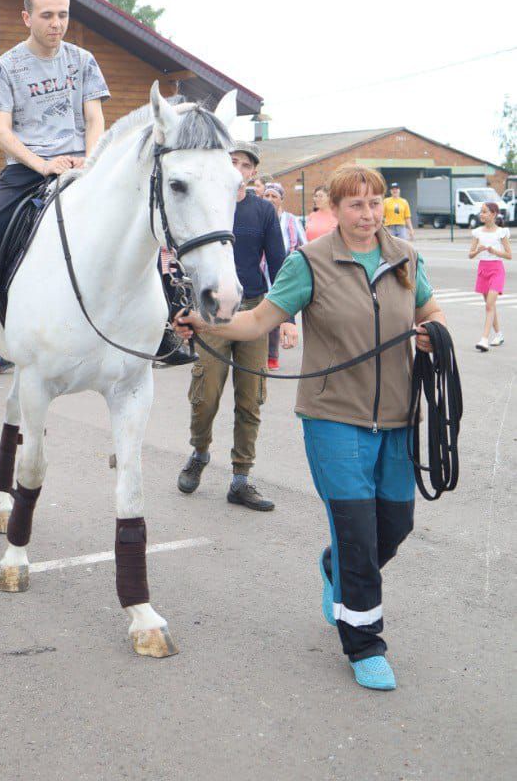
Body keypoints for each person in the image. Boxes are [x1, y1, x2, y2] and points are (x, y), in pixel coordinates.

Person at [175, 165, 445, 692]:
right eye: (355, 206)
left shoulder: (405, 258)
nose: (367, 216)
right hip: (333, 419)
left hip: (397, 417)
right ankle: (364, 643)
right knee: (358, 535)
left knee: (394, 525)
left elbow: (431, 311)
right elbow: (258, 322)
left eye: (374, 205)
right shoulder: (309, 263)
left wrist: (434, 333)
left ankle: (332, 567)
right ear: (335, 211)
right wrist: (207, 323)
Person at [0, 0, 109, 373]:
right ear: (27, 17)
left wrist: (90, 161)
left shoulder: (83, 60)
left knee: (138, 214)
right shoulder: (6, 67)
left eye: (63, 15)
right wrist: (41, 165)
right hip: (28, 169)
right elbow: (0, 131)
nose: (57, 23)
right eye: (47, 15)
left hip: (81, 165)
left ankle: (162, 320)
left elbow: (94, 117)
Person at [177, 140, 291, 510]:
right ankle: (199, 452)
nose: (238, 169)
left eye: (245, 164)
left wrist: (287, 318)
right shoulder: (207, 206)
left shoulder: (262, 211)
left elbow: (279, 263)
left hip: (255, 312)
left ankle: (241, 478)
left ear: (253, 172)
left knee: (250, 399)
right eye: (232, 161)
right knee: (205, 396)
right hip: (211, 314)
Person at [261, 181, 303, 369]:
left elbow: (304, 245)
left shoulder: (291, 220)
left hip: (284, 273)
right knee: (260, 314)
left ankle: (272, 356)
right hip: (260, 273)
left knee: (278, 313)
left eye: (274, 196)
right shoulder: (258, 217)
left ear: (281, 200)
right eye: (267, 196)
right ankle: (260, 355)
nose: (270, 199)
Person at [469, 200, 511, 351]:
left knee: (489, 305)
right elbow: (470, 255)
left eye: (485, 211)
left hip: (497, 270)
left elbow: (509, 255)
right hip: (483, 270)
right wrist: (479, 250)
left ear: (493, 214)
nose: (482, 214)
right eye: (481, 211)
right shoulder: (477, 232)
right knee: (490, 306)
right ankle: (499, 334)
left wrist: (494, 251)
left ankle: (484, 339)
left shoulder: (501, 232)